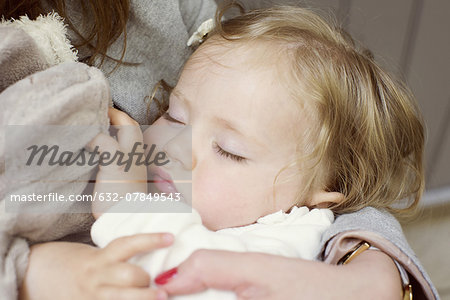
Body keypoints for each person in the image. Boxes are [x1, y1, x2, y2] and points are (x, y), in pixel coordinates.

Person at [0, 1, 438, 300]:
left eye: (229, 150)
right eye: (173, 115)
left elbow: (181, 266)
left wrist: (122, 204)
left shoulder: (284, 244)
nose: (178, 149)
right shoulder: (263, 205)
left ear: (318, 197)